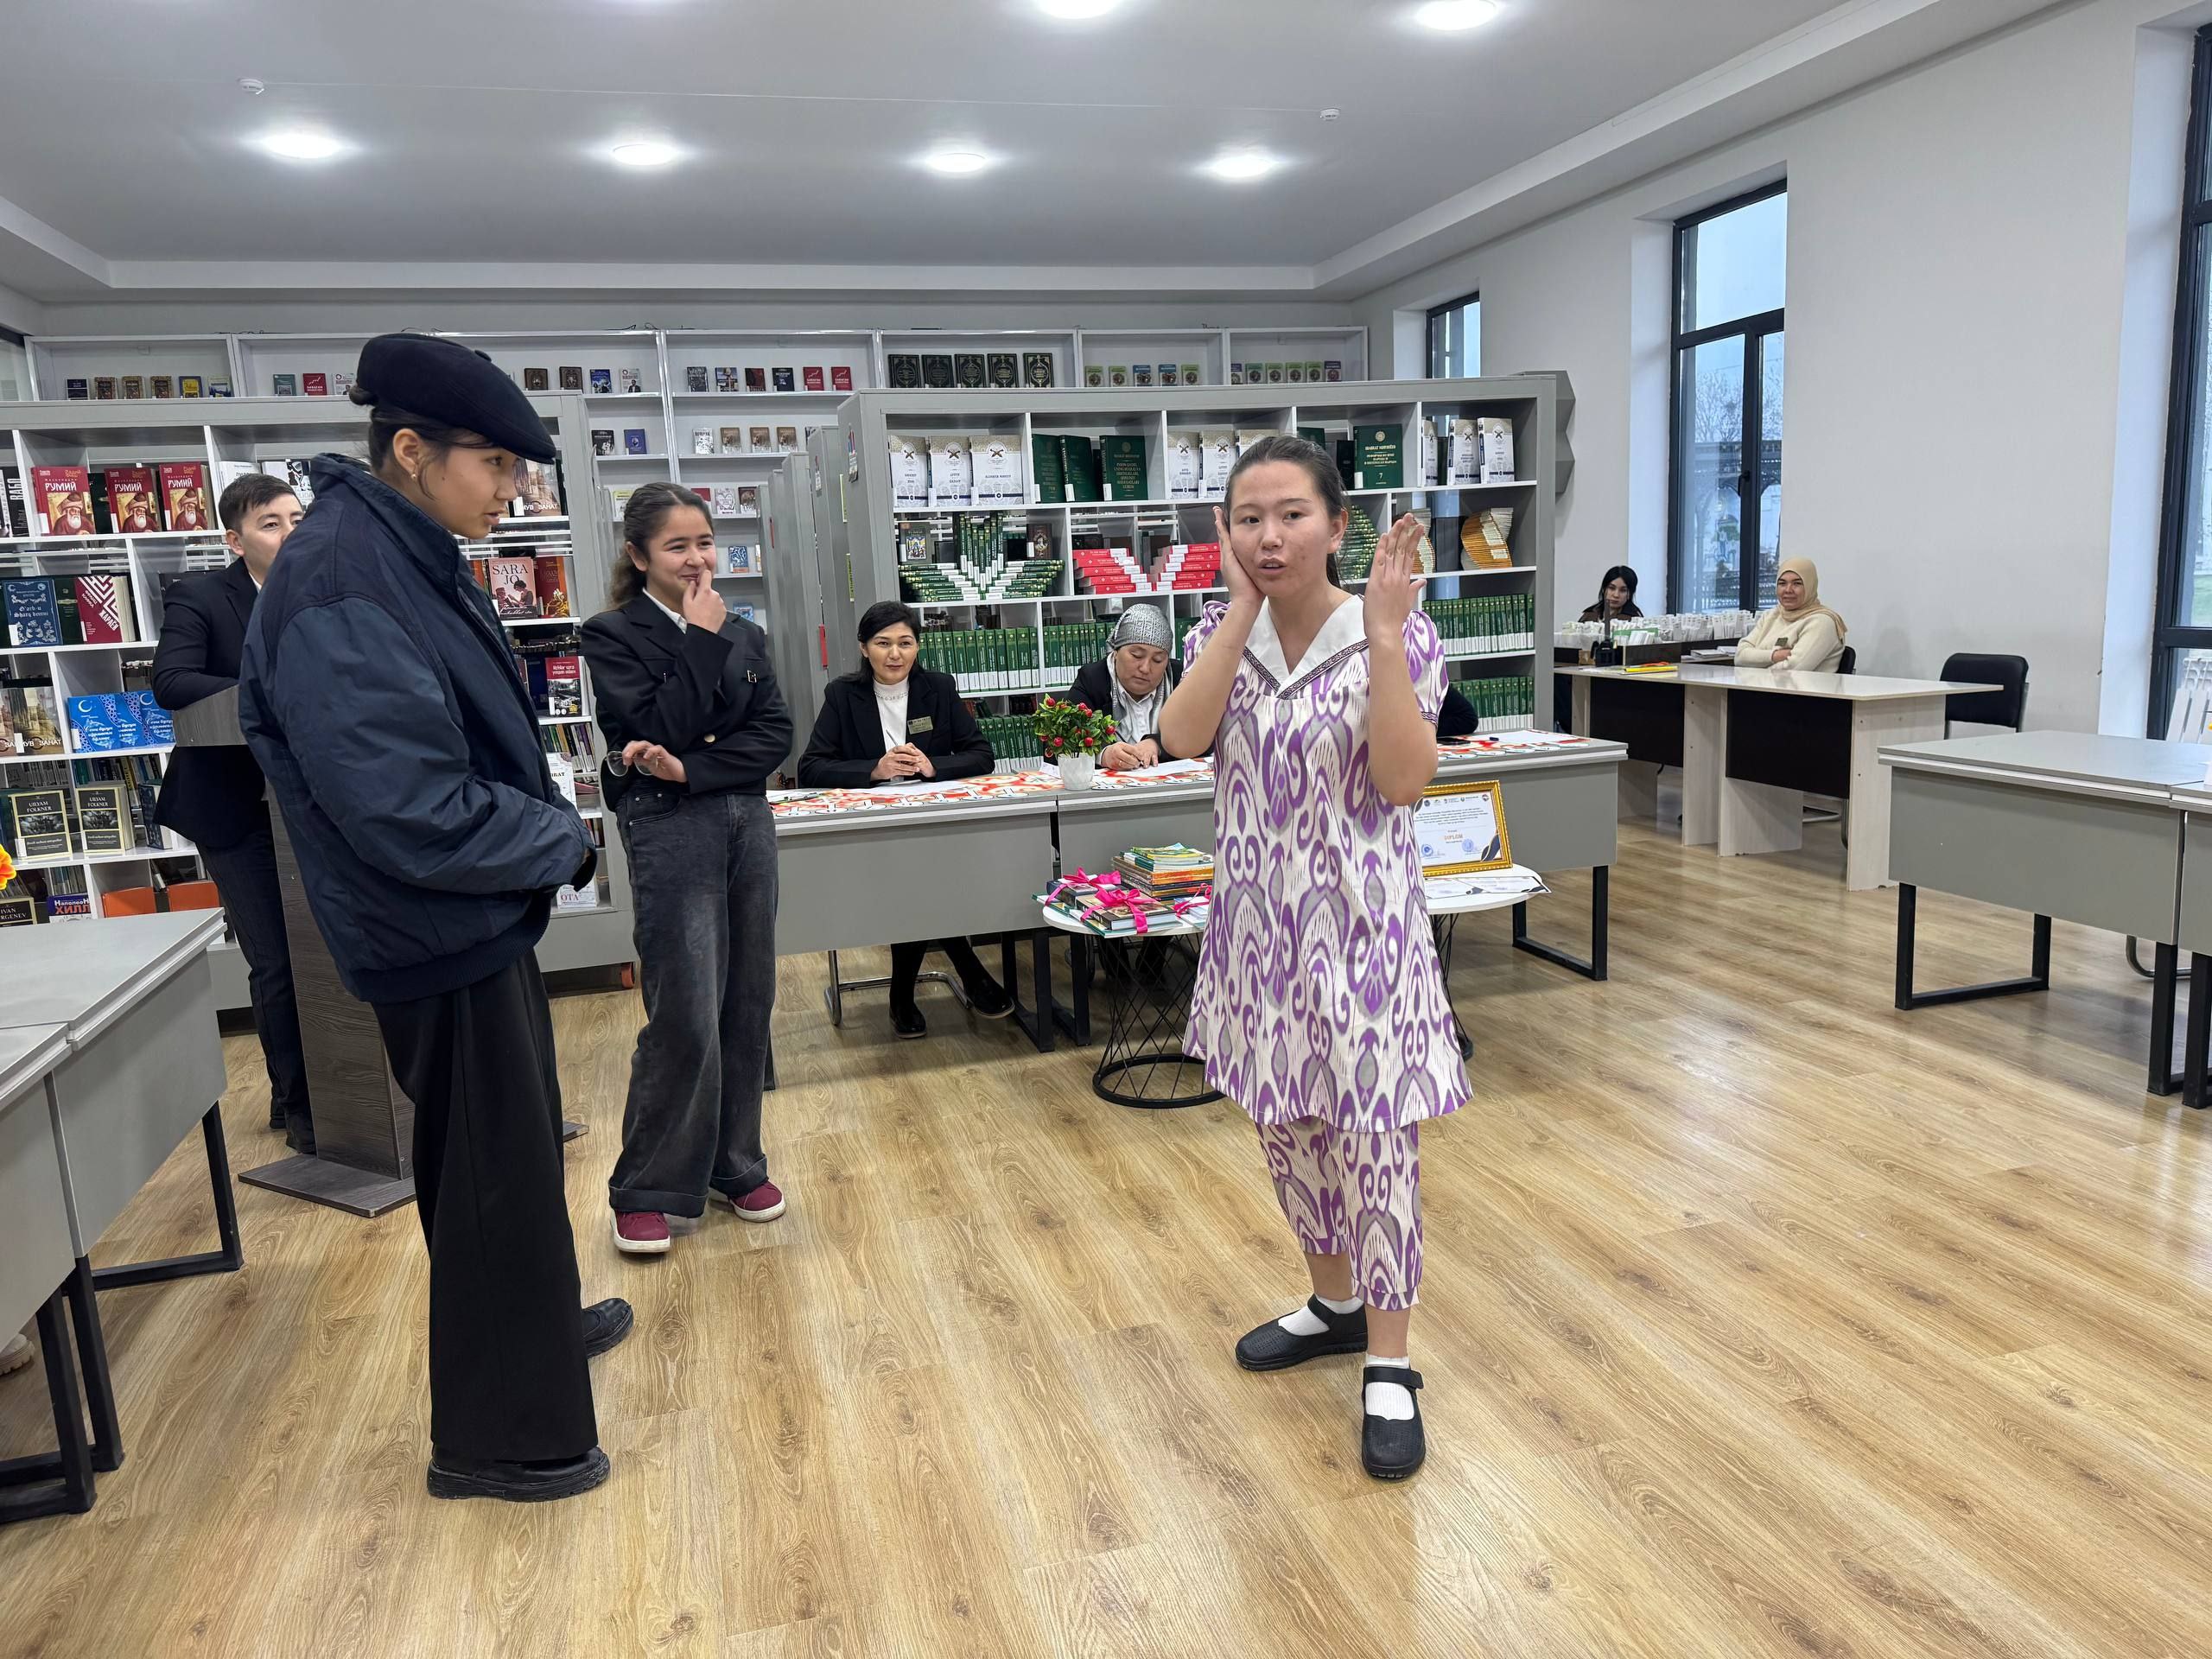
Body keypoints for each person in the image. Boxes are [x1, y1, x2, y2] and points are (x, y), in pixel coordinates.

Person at [238, 332, 631, 1504]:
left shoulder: (398, 547)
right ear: (411, 450)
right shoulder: (344, 581)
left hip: (465, 914)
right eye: (495, 465)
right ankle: (501, 1438)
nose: (510, 490)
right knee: (486, 1177)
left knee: (511, 1153)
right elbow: (406, 806)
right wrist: (559, 842)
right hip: (434, 924)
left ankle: (533, 1329)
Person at [1160, 434, 1467, 1483]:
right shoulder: (1219, 634)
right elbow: (1181, 737)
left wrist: (1380, 637)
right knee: (1287, 1129)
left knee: (1374, 1141)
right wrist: (1238, 609)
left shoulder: (1396, 632)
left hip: (1364, 938)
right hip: (1258, 936)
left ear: (1337, 525)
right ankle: (1333, 1302)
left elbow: (1404, 781)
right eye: (1248, 517)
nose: (1270, 536)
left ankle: (1389, 1359)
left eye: (1291, 514)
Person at [582, 483, 791, 1257]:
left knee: (748, 999)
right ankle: (647, 1187)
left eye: (705, 542)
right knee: (685, 1009)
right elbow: (652, 726)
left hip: (744, 819)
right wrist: (699, 641)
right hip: (668, 827)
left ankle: (736, 1164)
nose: (698, 558)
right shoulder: (611, 633)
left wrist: (693, 766)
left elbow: (775, 734)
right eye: (677, 546)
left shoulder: (746, 632)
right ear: (639, 556)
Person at [153, 473, 315, 1154]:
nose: (290, 533)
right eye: (271, 524)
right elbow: (172, 682)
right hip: (233, 808)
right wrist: (269, 691)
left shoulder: (325, 591)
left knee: (326, 952)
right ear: (235, 539)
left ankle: (345, 1090)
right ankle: (297, 1104)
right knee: (277, 959)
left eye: (298, 519)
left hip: (315, 806)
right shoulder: (200, 597)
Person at [797, 601, 1015, 1039]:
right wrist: (874, 770)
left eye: (906, 643)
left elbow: (981, 755)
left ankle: (903, 993)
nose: (895, 654)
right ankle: (965, 970)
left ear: (918, 646)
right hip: (872, 833)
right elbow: (811, 768)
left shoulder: (938, 687)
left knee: (923, 874)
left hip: (932, 826)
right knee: (921, 878)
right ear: (864, 648)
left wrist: (933, 766)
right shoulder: (843, 695)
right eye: (883, 644)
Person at [1067, 604, 1178, 772]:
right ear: (1116, 651)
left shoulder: (1181, 678)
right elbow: (1060, 744)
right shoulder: (1092, 680)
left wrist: (1158, 744)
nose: (1145, 668)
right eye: (1136, 655)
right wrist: (1103, 755)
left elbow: (1206, 735)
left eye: (1157, 660)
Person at [1734, 556, 1846, 673]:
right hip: (1759, 684)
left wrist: (1754, 666)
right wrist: (1774, 656)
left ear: (1810, 586)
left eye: (1797, 583)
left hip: (1799, 686)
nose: (1788, 590)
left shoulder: (1822, 622)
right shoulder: (1770, 616)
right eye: (1782, 583)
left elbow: (1792, 670)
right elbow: (1740, 657)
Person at [1578, 564, 1643, 625]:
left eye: (1623, 590)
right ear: (1603, 589)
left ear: (1629, 594)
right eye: (1611, 588)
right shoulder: (1589, 614)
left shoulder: (1632, 621)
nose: (1616, 595)